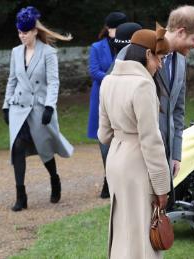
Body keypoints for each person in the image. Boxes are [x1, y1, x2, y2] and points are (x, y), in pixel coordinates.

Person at [97, 28, 171, 259]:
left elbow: (103, 134)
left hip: (116, 159)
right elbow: (151, 141)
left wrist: (122, 135)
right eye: (159, 58)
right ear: (148, 54)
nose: (160, 65)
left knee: (122, 227)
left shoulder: (108, 80)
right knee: (141, 233)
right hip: (137, 162)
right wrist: (162, 187)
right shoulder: (143, 84)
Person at [2, 6, 74, 212]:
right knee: (17, 148)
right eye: (19, 32)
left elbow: (53, 82)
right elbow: (12, 80)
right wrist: (6, 105)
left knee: (45, 149)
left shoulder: (48, 52)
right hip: (18, 108)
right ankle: (21, 196)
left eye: (25, 32)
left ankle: (54, 178)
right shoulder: (16, 52)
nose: (21, 36)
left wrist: (50, 106)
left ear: (34, 31)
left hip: (40, 109)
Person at [153, 5, 194, 178]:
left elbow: (178, 110)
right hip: (139, 153)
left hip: (167, 155)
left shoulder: (181, 60)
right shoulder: (141, 51)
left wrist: (176, 154)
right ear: (181, 32)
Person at [87, 11, 127, 199]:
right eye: (116, 28)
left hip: (124, 98)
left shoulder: (128, 47)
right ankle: (107, 178)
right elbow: (94, 71)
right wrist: (115, 79)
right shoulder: (96, 47)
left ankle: (119, 179)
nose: (119, 31)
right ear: (108, 29)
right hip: (102, 97)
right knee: (104, 141)